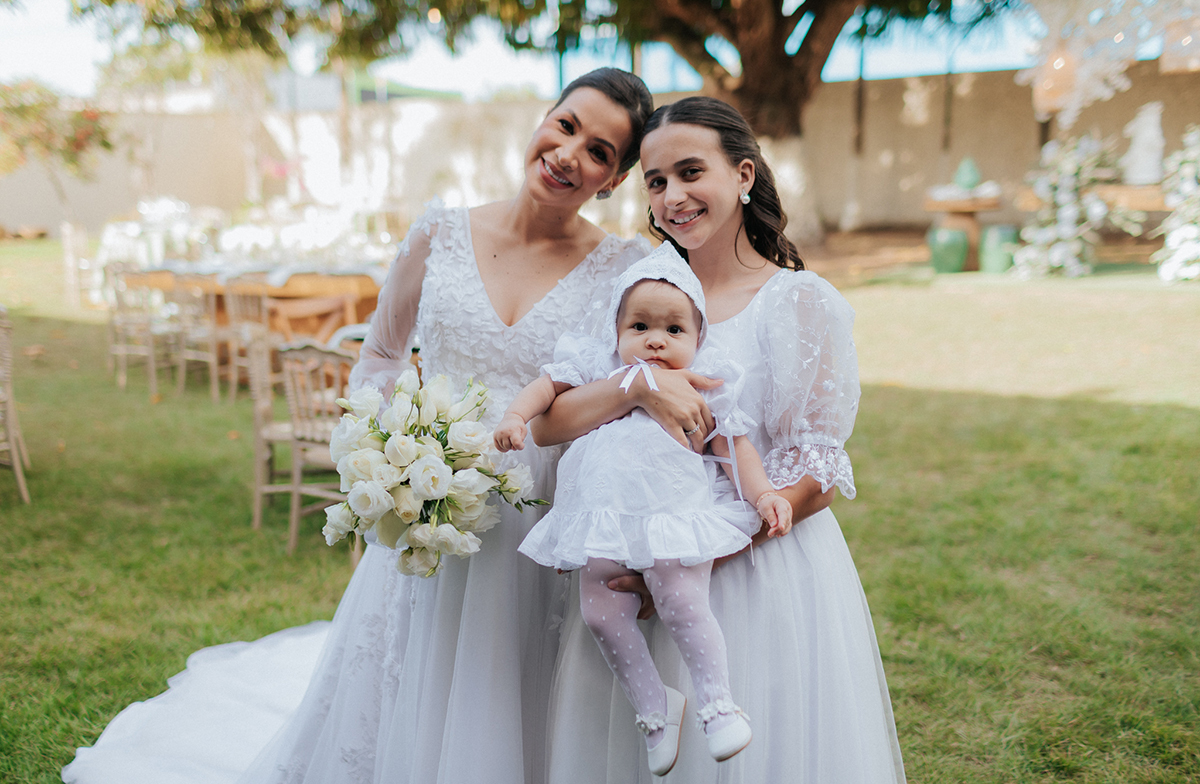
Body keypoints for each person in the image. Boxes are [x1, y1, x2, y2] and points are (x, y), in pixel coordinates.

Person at [61, 67, 654, 784]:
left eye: (598, 151)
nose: (568, 154)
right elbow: (378, 353)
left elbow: (622, 390)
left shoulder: (622, 268)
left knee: (518, 688)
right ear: (542, 121)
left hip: (542, 523)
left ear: (615, 180)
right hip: (431, 503)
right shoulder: (439, 233)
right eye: (566, 125)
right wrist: (389, 449)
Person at [534, 97, 907, 783]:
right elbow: (552, 420)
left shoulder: (800, 302)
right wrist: (637, 387)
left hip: (753, 570)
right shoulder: (635, 293)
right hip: (632, 553)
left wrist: (690, 554)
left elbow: (816, 471)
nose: (672, 197)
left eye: (688, 172)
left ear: (743, 175)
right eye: (654, 181)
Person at [495, 245, 793, 776]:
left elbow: (735, 446)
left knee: (681, 601)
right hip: (603, 519)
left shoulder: (707, 380)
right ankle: (656, 710)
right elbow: (547, 388)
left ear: (699, 339)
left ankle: (718, 704)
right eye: (640, 325)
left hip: (673, 514)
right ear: (616, 332)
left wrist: (765, 493)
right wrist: (518, 416)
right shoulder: (599, 368)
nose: (656, 339)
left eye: (674, 329)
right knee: (600, 613)